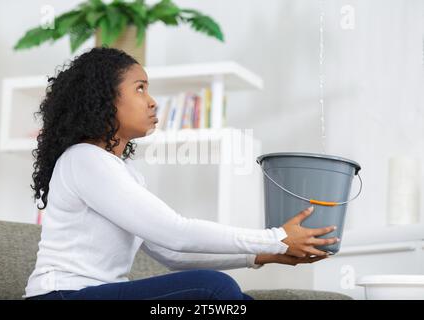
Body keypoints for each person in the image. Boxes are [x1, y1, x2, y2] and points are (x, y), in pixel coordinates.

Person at [24, 47, 338, 300]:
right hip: (60, 295)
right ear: (105, 98)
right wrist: (276, 239)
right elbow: (176, 232)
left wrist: (263, 255)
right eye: (140, 89)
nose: (152, 102)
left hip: (92, 295)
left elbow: (172, 253)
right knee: (210, 289)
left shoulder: (125, 173)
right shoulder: (84, 159)